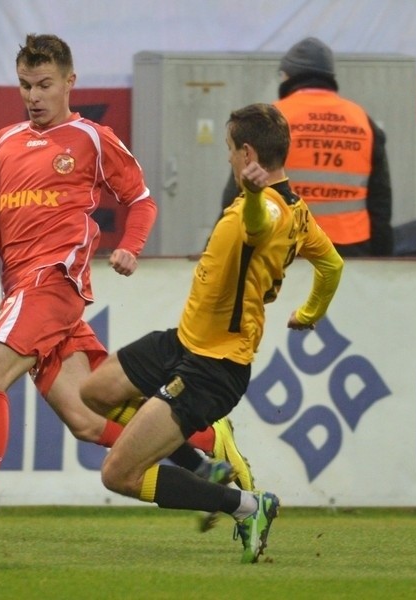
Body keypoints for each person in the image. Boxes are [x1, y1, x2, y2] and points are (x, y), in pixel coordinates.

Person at [0, 33, 254, 543]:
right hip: (20, 287)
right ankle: (205, 447)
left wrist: (130, 245)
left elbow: (143, 200)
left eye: (44, 85)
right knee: (88, 422)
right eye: (25, 85)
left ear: (69, 82)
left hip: (53, 283)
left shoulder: (91, 138)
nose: (33, 96)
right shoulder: (6, 141)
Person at [80, 103, 344, 563]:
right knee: (95, 391)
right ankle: (203, 464)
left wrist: (257, 196)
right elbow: (332, 265)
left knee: (118, 474)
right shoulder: (298, 211)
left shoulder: (267, 211)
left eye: (228, 150)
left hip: (213, 366)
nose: (227, 158)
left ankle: (246, 506)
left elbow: (261, 225)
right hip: (184, 342)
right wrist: (309, 311)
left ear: (246, 154)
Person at [221, 37, 393, 257]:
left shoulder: (270, 119)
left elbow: (237, 193)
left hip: (283, 247)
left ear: (286, 77)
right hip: (350, 250)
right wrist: (384, 263)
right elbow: (380, 204)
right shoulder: (362, 121)